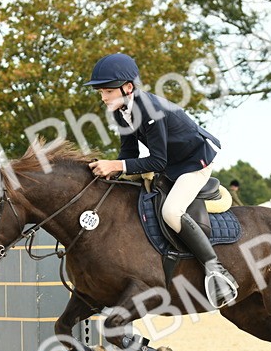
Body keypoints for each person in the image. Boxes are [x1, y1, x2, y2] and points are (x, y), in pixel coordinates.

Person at [85, 53, 238, 308]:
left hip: (194, 163)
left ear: (128, 87)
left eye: (108, 91)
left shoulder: (150, 110)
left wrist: (117, 165)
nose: (104, 98)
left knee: (171, 211)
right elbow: (129, 153)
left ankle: (217, 271)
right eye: (101, 92)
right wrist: (114, 171)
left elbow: (157, 161)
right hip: (170, 164)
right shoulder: (120, 109)